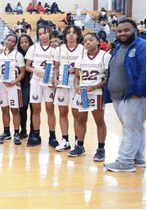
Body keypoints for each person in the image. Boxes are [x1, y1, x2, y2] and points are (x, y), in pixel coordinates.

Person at [102, 19, 146, 172]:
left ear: (135, 30)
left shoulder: (141, 46)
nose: (122, 33)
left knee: (130, 128)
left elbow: (145, 72)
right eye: (119, 31)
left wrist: (137, 93)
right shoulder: (119, 47)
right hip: (118, 97)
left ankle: (125, 161)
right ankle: (138, 157)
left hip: (132, 97)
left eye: (126, 30)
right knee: (135, 127)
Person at [70, 33, 110, 161]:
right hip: (83, 93)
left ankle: (101, 149)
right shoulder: (81, 58)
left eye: (90, 40)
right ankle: (80, 146)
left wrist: (96, 86)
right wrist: (76, 86)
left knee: (99, 121)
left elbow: (108, 77)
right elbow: (76, 76)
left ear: (98, 41)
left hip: (97, 92)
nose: (87, 42)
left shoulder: (105, 56)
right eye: (85, 41)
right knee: (81, 120)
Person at [24, 26, 58, 147]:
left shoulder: (56, 49)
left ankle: (52, 136)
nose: (43, 36)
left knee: (50, 109)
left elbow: (58, 66)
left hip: (49, 82)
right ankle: (36, 135)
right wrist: (34, 70)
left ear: (49, 33)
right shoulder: (33, 48)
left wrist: (55, 79)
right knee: (36, 109)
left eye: (45, 33)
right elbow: (27, 66)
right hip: (36, 81)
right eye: (40, 34)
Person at [52, 26, 84, 152]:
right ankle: (65, 140)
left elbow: (85, 66)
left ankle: (78, 141)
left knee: (77, 114)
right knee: (62, 112)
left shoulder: (82, 49)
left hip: (76, 84)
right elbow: (56, 67)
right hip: (62, 84)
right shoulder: (59, 50)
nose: (71, 35)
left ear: (78, 35)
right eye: (69, 33)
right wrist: (55, 79)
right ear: (65, 35)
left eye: (74, 33)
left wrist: (76, 70)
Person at [0, 34, 26, 145]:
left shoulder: (17, 55)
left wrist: (14, 82)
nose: (10, 42)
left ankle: (17, 133)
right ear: (5, 40)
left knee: (14, 110)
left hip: (14, 86)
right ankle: (6, 131)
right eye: (8, 40)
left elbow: (23, 71)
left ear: (15, 43)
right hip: (2, 85)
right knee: (4, 109)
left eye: (13, 41)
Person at [16, 34, 34, 142]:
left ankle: (33, 131)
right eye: (22, 42)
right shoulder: (17, 55)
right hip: (22, 84)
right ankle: (23, 130)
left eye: (26, 42)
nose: (24, 44)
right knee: (23, 108)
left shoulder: (35, 52)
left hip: (33, 83)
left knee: (34, 109)